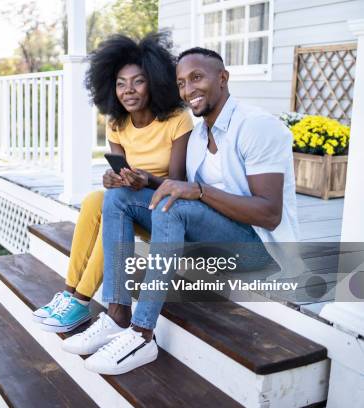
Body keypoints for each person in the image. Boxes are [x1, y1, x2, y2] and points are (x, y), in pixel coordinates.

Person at [63, 47, 298, 375]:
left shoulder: (257, 126)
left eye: (197, 78)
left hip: (261, 252)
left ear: (223, 78)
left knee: (171, 209)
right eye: (182, 83)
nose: (189, 90)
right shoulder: (200, 133)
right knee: (116, 198)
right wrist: (146, 180)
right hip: (211, 236)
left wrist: (198, 191)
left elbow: (269, 214)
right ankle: (118, 313)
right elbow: (180, 187)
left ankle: (143, 334)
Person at [33, 33, 193, 333]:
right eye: (120, 83)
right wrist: (114, 177)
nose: (128, 90)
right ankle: (70, 293)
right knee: (96, 199)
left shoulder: (177, 119)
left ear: (155, 81)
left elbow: (177, 183)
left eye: (138, 81)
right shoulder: (116, 123)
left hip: (164, 208)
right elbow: (120, 172)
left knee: (111, 206)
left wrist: (146, 179)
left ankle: (80, 300)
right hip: (129, 201)